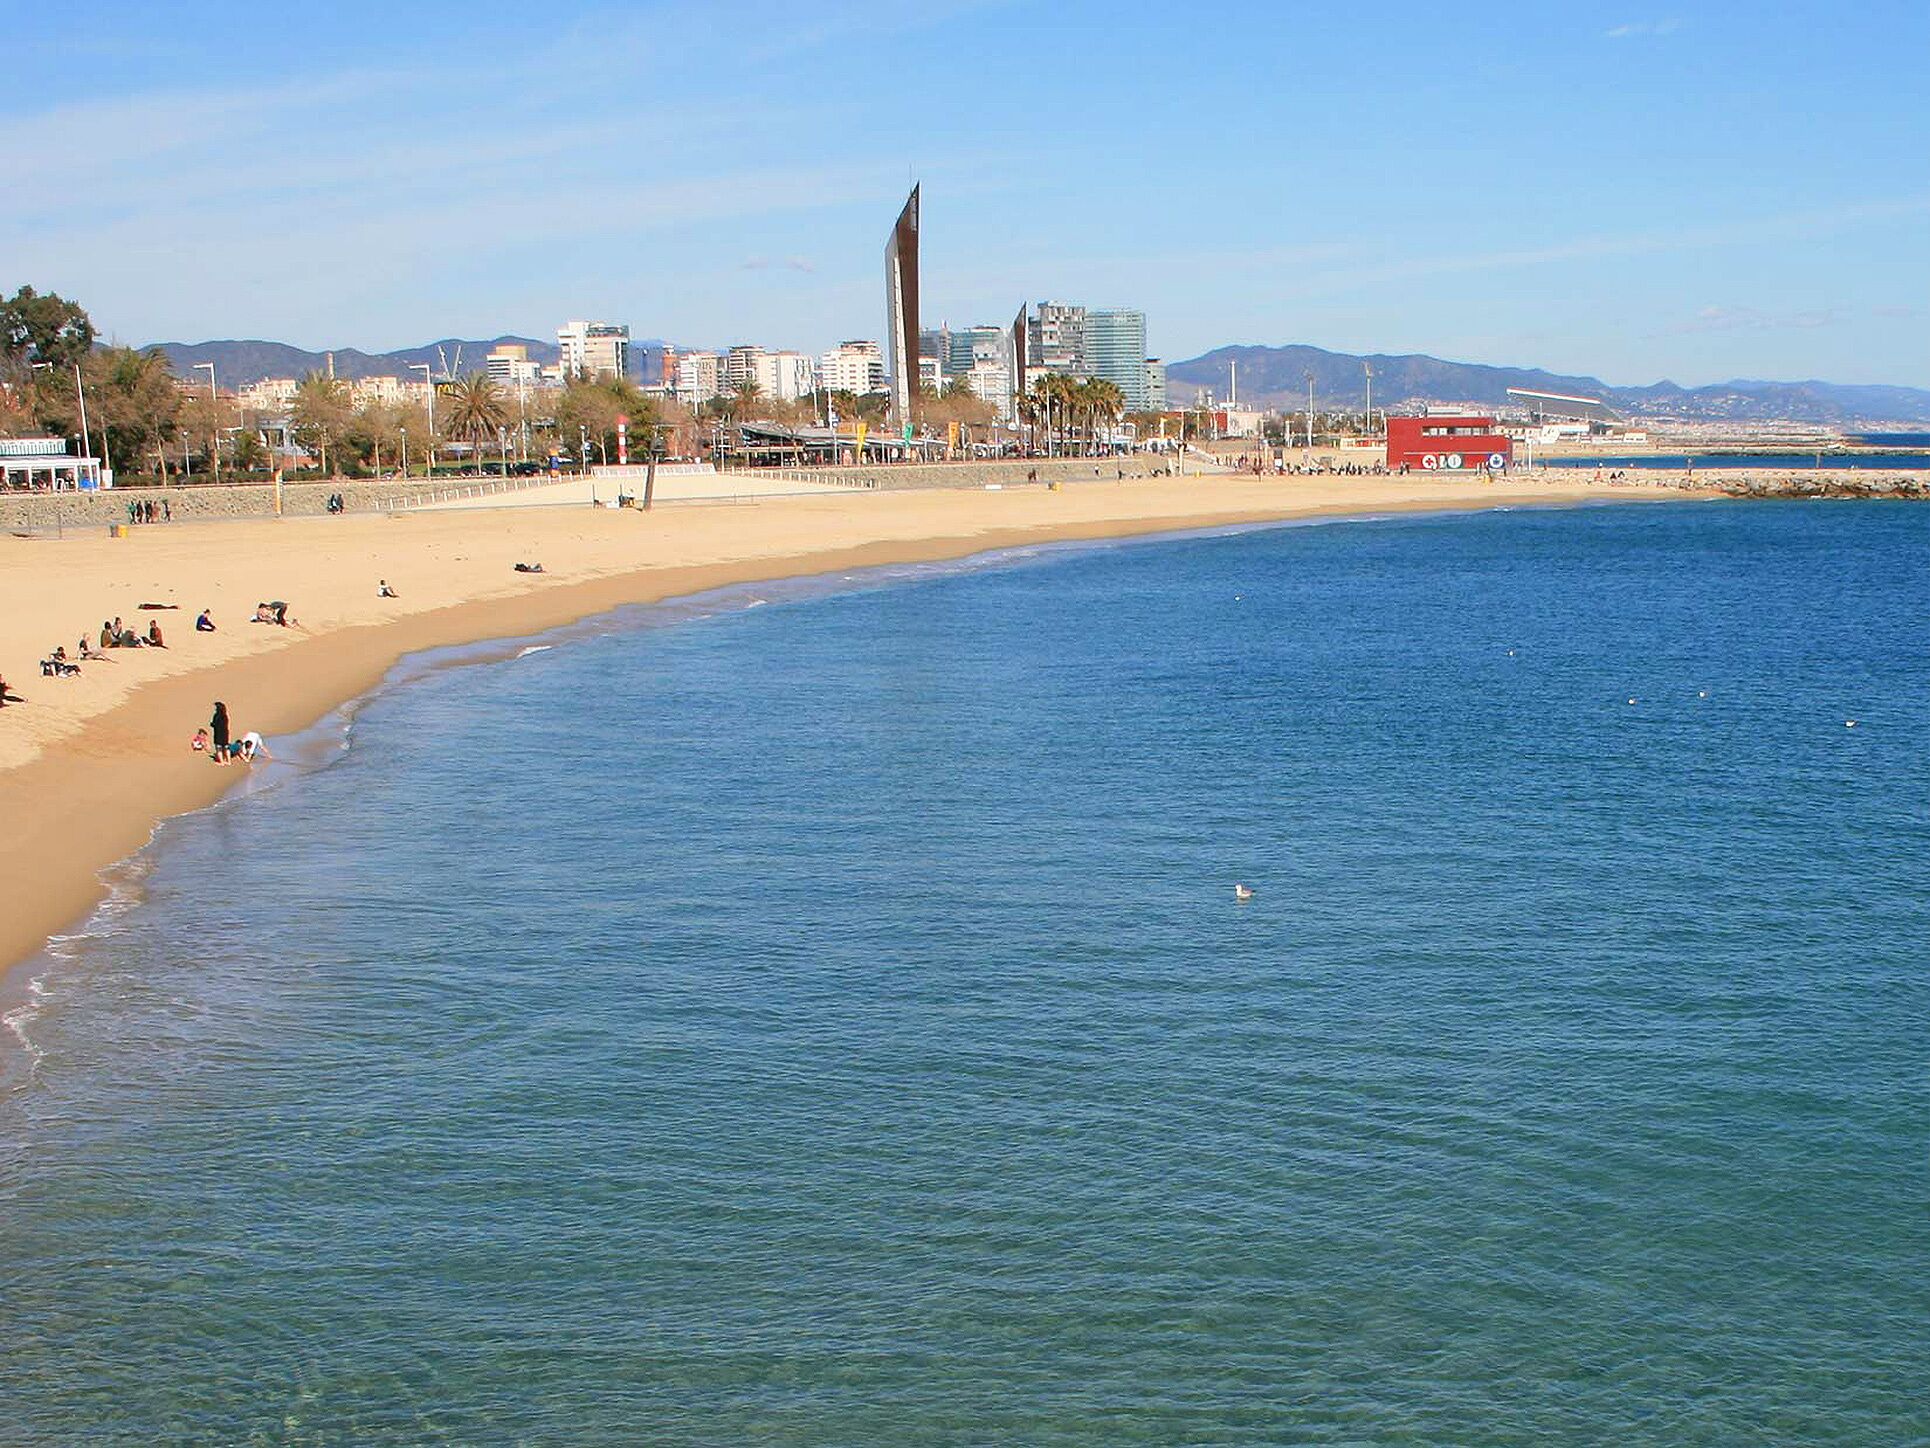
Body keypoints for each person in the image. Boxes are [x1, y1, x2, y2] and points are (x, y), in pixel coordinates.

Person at [210, 702, 231, 766]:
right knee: (226, 747)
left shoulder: (216, 715)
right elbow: (228, 725)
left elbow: (214, 724)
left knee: (218, 748)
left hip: (218, 733)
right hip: (225, 733)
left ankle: (222, 762)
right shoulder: (225, 715)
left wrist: (212, 724)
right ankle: (228, 761)